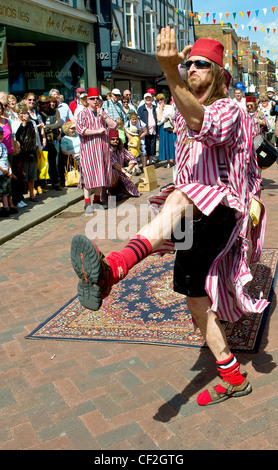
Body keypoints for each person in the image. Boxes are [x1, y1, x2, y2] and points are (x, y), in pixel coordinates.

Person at [71, 30, 267, 407]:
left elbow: (203, 124)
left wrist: (169, 72)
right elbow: (185, 157)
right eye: (187, 63)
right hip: (194, 208)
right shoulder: (181, 112)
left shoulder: (230, 109)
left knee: (178, 198)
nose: (191, 69)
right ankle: (232, 376)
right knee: (192, 295)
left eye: (201, 65)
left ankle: (114, 267)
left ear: (220, 75)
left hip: (224, 209)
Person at [75, 87, 116, 215]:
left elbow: (113, 125)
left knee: (100, 174)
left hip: (102, 149)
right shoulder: (82, 114)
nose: (95, 101)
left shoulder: (102, 112)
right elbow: (80, 130)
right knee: (87, 176)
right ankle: (87, 203)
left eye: (97, 98)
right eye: (92, 99)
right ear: (87, 100)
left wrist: (103, 117)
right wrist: (97, 131)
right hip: (88, 150)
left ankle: (97, 201)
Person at [12, 101, 38, 202]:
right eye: (21, 113)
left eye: (24, 112)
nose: (23, 115)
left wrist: (38, 146)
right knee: (22, 175)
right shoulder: (15, 123)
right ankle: (21, 196)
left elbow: (35, 136)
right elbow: (16, 136)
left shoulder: (32, 123)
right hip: (21, 153)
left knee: (32, 175)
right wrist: (23, 124)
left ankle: (32, 194)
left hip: (31, 151)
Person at [38, 95, 62, 190]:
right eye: (43, 103)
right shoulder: (38, 113)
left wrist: (47, 127)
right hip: (42, 140)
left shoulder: (55, 111)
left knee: (54, 162)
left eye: (47, 103)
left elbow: (59, 124)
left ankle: (55, 182)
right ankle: (42, 184)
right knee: (42, 163)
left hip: (53, 138)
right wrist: (53, 125)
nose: (45, 105)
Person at [109, 128, 140, 199]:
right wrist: (126, 172)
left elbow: (132, 158)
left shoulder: (122, 150)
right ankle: (113, 197)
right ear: (109, 140)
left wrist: (128, 170)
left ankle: (120, 191)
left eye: (117, 139)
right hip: (111, 176)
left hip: (122, 174)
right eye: (112, 139)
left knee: (135, 192)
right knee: (114, 173)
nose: (115, 141)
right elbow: (114, 164)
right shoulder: (108, 151)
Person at [156, 93, 176, 167]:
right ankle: (168, 162)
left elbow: (175, 117)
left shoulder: (170, 107)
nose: (160, 101)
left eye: (161, 99)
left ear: (164, 99)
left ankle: (174, 160)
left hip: (170, 127)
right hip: (163, 128)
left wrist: (169, 117)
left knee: (173, 143)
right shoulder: (157, 109)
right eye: (158, 100)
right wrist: (161, 109)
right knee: (166, 144)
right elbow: (159, 119)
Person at [137, 93, 157, 167]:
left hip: (153, 131)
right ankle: (144, 165)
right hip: (145, 131)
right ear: (144, 99)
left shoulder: (155, 107)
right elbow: (138, 119)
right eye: (146, 98)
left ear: (151, 99)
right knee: (145, 147)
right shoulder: (141, 108)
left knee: (152, 147)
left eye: (149, 98)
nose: (148, 99)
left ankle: (151, 163)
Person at [0, 126, 12, 216]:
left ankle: (6, 208)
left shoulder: (3, 145)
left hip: (5, 172)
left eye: (1, 134)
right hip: (0, 172)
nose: (1, 136)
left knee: (5, 191)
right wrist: (2, 169)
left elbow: (6, 158)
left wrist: (9, 169)